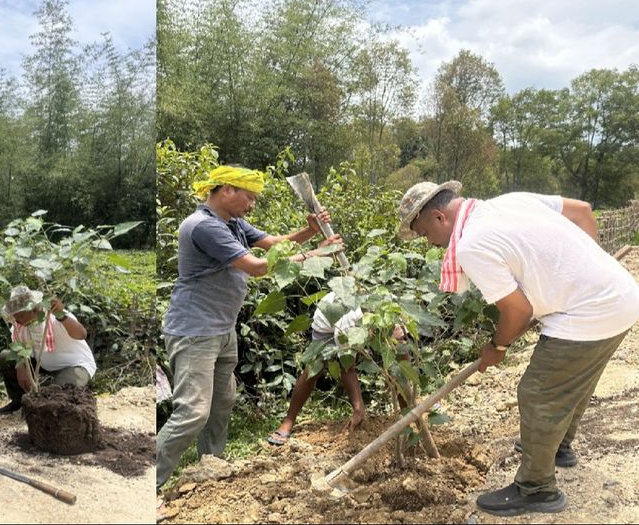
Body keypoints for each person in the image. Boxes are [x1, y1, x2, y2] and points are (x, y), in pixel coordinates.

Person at [397, 181, 639, 517]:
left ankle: (537, 489)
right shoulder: (510, 201)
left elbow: (519, 311)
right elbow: (583, 211)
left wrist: (497, 346)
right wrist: (590, 271)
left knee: (537, 392)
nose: (430, 243)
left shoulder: (472, 244)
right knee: (571, 380)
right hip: (621, 295)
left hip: (590, 311)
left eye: (424, 233)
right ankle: (558, 449)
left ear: (439, 217)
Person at [156, 165, 342, 496]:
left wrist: (309, 232)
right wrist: (315, 254)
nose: (252, 204)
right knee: (192, 412)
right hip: (195, 331)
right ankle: (150, 486)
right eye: (249, 196)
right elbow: (256, 267)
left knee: (221, 405)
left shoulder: (233, 223)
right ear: (227, 190)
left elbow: (273, 244)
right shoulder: (203, 227)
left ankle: (208, 471)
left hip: (221, 329)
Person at [267, 293, 406, 445]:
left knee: (398, 359)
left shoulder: (392, 308)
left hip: (362, 323)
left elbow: (403, 356)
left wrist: (409, 408)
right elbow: (347, 368)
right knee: (313, 369)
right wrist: (358, 409)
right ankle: (288, 421)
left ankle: (407, 412)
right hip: (328, 323)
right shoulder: (350, 320)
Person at [0, 285, 96, 414]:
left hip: (75, 365)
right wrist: (21, 367)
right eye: (15, 315)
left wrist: (62, 315)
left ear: (34, 309)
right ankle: (19, 402)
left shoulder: (56, 317)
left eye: (20, 315)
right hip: (43, 364)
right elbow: (19, 348)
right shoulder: (19, 325)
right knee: (5, 356)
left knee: (57, 396)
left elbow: (81, 334)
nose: (17, 320)